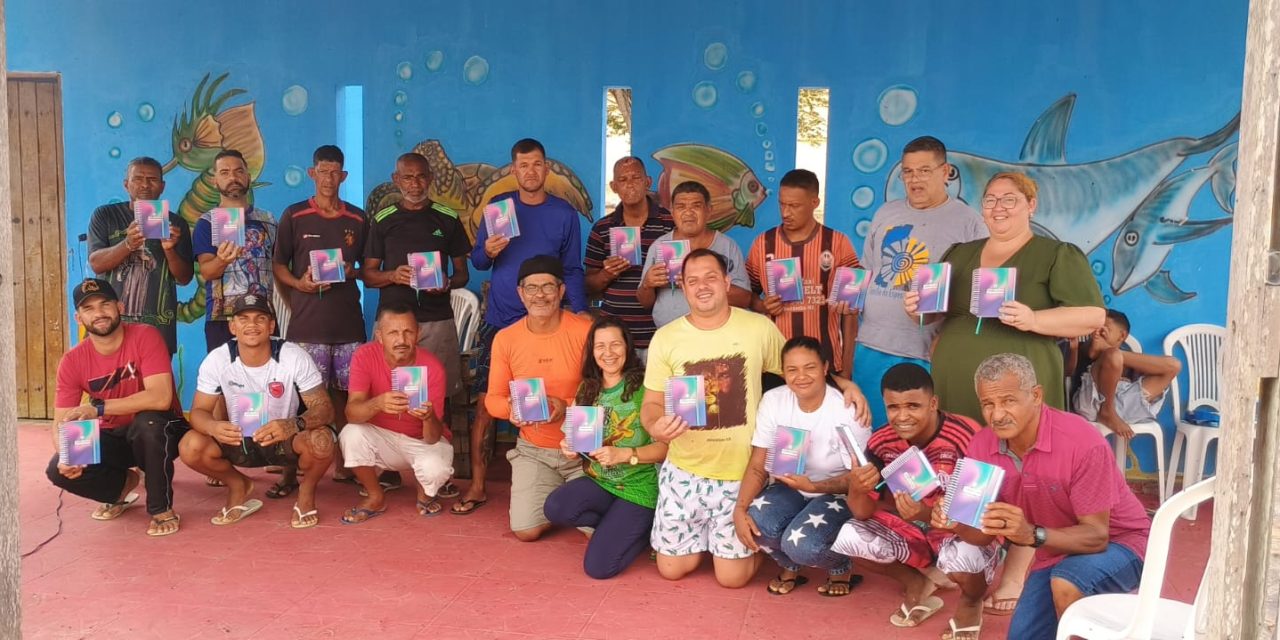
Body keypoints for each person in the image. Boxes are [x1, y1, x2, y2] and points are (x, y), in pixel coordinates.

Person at [904, 172, 1105, 614]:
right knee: (961, 464)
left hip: (1019, 382)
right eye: (991, 200)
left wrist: (1034, 319)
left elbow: (1091, 316)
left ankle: (1018, 567)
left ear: (1031, 204)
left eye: (1010, 200)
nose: (998, 208)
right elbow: (935, 315)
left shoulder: (1055, 255)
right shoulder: (961, 254)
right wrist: (918, 308)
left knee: (1022, 469)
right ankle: (960, 555)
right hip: (957, 380)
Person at [642, 248, 870, 588]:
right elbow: (651, 405)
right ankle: (714, 538)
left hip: (739, 472)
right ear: (682, 287)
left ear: (725, 281)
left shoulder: (758, 327)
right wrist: (655, 424)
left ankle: (739, 542)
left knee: (731, 579)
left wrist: (844, 382)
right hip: (684, 470)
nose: (702, 286)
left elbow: (799, 367)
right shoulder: (666, 337)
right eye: (692, 281)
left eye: (710, 278)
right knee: (672, 570)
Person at [962, 353, 1151, 640]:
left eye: (1008, 401)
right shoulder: (980, 445)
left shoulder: (1082, 441)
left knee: (1067, 582)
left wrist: (1030, 534)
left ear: (1036, 395)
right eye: (988, 404)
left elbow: (1097, 537)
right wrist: (951, 520)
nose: (997, 414)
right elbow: (974, 536)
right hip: (1056, 551)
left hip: (1122, 543)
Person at [458, 138, 587, 515]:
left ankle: (574, 472)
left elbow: (573, 270)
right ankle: (479, 485)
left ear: (547, 168)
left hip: (552, 321)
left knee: (568, 395)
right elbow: (478, 261)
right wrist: (490, 251)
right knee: (487, 404)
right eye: (523, 165)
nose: (530, 171)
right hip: (502, 320)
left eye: (537, 164)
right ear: (514, 170)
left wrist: (579, 312)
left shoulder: (564, 214)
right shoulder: (499, 209)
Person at [832, 363, 993, 637]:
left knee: (962, 558)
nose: (902, 416)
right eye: (893, 407)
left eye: (913, 406)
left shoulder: (967, 434)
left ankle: (971, 600)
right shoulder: (881, 441)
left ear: (933, 403)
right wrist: (857, 486)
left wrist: (925, 514)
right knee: (850, 536)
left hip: (962, 529)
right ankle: (916, 583)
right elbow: (861, 512)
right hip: (914, 530)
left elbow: (981, 532)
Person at [855, 137, 986, 428]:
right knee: (871, 436)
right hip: (869, 346)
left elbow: (976, 294)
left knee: (918, 437)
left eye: (924, 170)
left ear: (945, 171)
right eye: (908, 172)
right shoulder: (885, 212)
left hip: (924, 352)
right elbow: (868, 271)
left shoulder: (969, 222)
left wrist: (948, 336)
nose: (915, 179)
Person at [178, 294, 336, 528]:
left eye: (260, 318)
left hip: (284, 440)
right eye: (243, 319)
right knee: (189, 446)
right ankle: (238, 484)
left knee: (322, 440)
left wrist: (292, 425)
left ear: (271, 325)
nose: (252, 325)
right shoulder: (218, 359)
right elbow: (199, 411)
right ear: (232, 326)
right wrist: (214, 426)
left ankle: (306, 493)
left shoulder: (293, 356)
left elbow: (325, 409)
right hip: (237, 439)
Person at [47, 279, 189, 537]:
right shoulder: (72, 361)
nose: (99, 313)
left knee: (148, 423)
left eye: (105, 304)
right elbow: (60, 422)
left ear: (120, 307)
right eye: (88, 308)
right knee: (57, 468)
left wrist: (99, 409)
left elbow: (161, 398)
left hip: (163, 430)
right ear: (79, 318)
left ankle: (160, 508)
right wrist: (68, 457)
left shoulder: (146, 335)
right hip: (115, 435)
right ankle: (124, 485)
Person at [733, 336, 869, 597]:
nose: (801, 376)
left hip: (836, 494)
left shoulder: (846, 409)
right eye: (792, 370)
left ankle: (840, 566)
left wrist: (815, 486)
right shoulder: (774, 400)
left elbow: (860, 478)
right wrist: (739, 510)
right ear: (783, 372)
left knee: (804, 545)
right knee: (756, 521)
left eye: (810, 367)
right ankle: (790, 565)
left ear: (825, 368)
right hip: (789, 488)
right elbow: (757, 464)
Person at [272, 144, 367, 492]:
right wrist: (299, 284)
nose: (329, 178)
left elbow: (367, 269)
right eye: (322, 171)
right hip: (307, 324)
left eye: (335, 172)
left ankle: (347, 465)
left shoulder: (357, 218)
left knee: (345, 397)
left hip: (347, 323)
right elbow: (278, 265)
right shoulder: (294, 215)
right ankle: (288, 472)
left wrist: (351, 270)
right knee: (298, 399)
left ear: (344, 176)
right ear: (312, 174)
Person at [543, 317, 667, 579]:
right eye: (600, 346)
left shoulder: (646, 388)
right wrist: (569, 446)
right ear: (592, 350)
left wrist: (626, 454)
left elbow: (666, 448)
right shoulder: (588, 387)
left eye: (615, 345)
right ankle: (617, 525)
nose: (608, 353)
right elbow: (574, 437)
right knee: (555, 508)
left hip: (638, 488)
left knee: (598, 568)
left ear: (628, 347)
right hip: (600, 483)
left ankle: (642, 531)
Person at [482, 256, 593, 538]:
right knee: (525, 530)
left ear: (561, 290)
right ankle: (558, 494)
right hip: (534, 451)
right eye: (531, 288)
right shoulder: (506, 339)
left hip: (584, 449)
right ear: (520, 293)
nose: (539, 295)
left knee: (593, 528)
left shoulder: (585, 332)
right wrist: (511, 408)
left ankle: (566, 497)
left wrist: (565, 407)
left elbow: (606, 391)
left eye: (547, 287)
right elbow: (492, 399)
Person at [362, 152, 470, 405]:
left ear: (430, 178)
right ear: (396, 179)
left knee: (438, 396)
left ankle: (438, 443)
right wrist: (392, 275)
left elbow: (463, 274)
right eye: (408, 177)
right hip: (391, 323)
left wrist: (447, 282)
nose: (415, 184)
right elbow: (368, 275)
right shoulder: (382, 220)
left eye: (421, 177)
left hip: (436, 320)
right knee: (387, 395)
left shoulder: (448, 218)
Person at [338, 304, 455, 522]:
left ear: (418, 334)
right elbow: (351, 413)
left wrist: (428, 417)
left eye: (408, 332)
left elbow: (432, 437)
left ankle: (425, 495)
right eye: (393, 333)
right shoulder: (364, 355)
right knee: (350, 433)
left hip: (420, 441)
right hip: (381, 437)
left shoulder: (433, 367)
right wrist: (377, 404)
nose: (401, 340)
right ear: (379, 336)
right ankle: (375, 496)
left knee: (435, 469)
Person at [746, 169, 860, 375]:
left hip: (825, 362)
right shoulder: (762, 244)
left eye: (794, 206)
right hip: (774, 364)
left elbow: (851, 312)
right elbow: (747, 296)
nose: (785, 212)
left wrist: (847, 367)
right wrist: (762, 305)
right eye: (782, 204)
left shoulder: (838, 243)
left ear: (814, 203)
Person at [87, 156, 194, 354]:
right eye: (138, 179)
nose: (145, 184)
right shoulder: (105, 216)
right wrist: (127, 244)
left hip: (158, 331)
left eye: (152, 179)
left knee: (156, 385)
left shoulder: (176, 224)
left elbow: (184, 278)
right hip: (110, 329)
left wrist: (169, 249)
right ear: (126, 184)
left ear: (162, 186)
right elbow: (96, 263)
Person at [583, 156, 673, 355]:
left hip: (660, 334)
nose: (630, 185)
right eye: (623, 180)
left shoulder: (669, 223)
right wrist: (607, 274)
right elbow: (588, 285)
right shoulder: (602, 228)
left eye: (636, 178)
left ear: (647, 182)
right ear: (614, 186)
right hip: (617, 337)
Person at [193, 149, 278, 351]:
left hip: (263, 316)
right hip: (222, 318)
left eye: (239, 171)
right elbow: (207, 271)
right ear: (215, 180)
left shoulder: (269, 220)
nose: (233, 177)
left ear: (248, 177)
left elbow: (278, 267)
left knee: (268, 378)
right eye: (224, 172)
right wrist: (222, 260)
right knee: (224, 379)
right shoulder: (207, 223)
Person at [637, 181, 752, 329]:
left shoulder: (727, 246)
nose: (688, 212)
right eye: (681, 207)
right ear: (672, 211)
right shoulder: (659, 247)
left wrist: (700, 283)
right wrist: (648, 284)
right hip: (672, 337)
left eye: (696, 206)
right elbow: (645, 303)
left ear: (709, 210)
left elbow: (745, 298)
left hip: (718, 335)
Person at [1067, 309, 1182, 438]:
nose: (1098, 333)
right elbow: (1069, 371)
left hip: (1123, 408)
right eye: (1097, 329)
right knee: (1113, 355)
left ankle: (1110, 412)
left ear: (1122, 336)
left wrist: (1106, 349)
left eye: (1106, 330)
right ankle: (1107, 411)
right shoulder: (1086, 347)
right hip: (1091, 404)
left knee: (1174, 365)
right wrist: (1077, 350)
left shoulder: (1128, 357)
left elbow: (1171, 367)